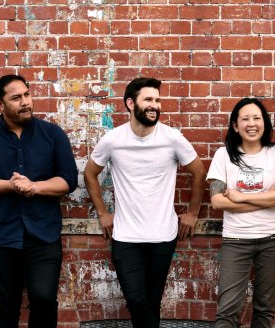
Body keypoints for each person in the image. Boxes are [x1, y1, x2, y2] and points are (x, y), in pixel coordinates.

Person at [84, 77, 206, 328]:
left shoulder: (172, 138)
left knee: (151, 301)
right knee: (137, 301)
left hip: (163, 235)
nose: (155, 105)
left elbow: (199, 172)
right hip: (126, 236)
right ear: (130, 103)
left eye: (158, 100)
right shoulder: (113, 139)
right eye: (148, 99)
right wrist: (103, 213)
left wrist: (193, 213)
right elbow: (90, 173)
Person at [0, 74, 78, 328]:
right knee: (4, 310)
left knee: (44, 301)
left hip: (44, 237)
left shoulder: (52, 134)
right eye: (16, 98)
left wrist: (34, 187)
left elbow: (69, 180)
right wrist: (9, 185)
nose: (25, 102)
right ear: (0, 105)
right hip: (1, 237)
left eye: (27, 94)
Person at [207, 98, 275, 328]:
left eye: (257, 118)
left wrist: (240, 196)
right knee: (227, 311)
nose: (251, 123)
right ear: (235, 126)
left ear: (264, 123)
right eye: (245, 118)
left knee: (264, 311)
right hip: (236, 239)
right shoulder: (223, 155)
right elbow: (217, 201)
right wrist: (268, 196)